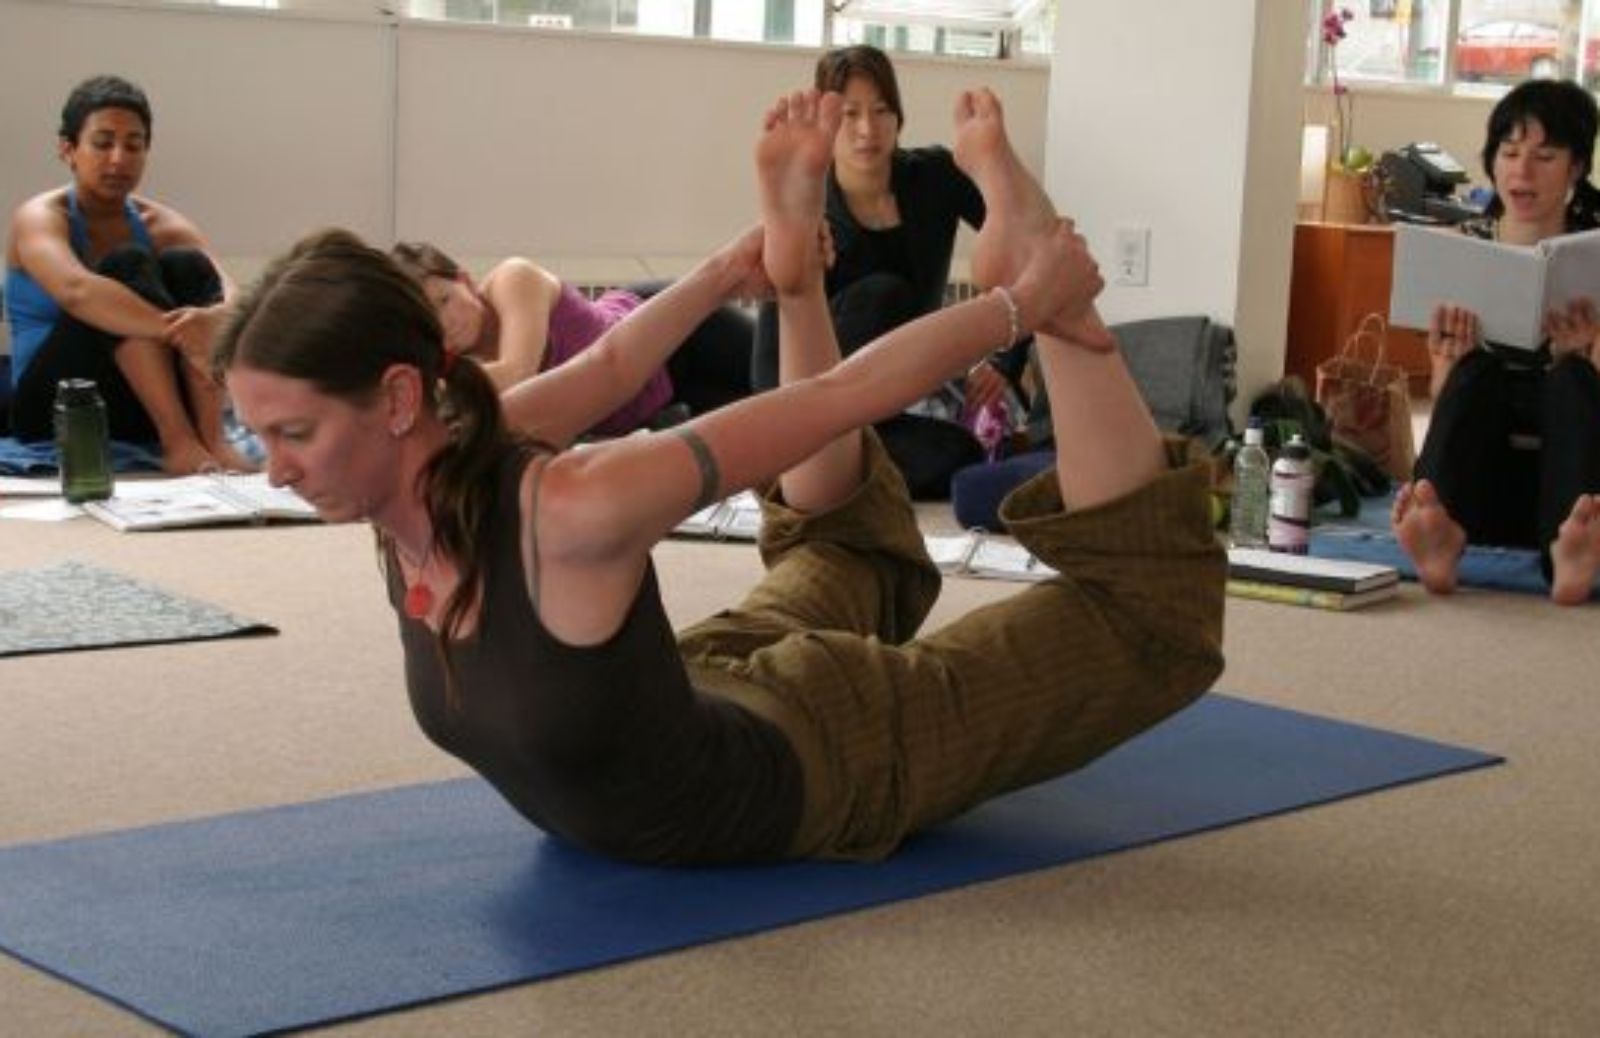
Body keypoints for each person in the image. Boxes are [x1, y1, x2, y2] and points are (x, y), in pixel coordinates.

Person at [217, 87, 1225, 866]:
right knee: (838, 549)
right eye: (260, 434)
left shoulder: (568, 510)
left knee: (1148, 617)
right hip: (699, 690)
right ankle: (797, 280)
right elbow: (607, 367)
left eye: (292, 433)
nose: (275, 471)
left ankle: (1064, 307)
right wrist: (730, 272)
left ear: (396, 400)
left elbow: (836, 400)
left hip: (827, 755)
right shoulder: (427, 462)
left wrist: (1019, 307)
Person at [751, 45, 1026, 497]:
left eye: (881, 111)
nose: (867, 130)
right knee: (884, 295)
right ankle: (819, 456)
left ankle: (843, 462)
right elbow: (767, 374)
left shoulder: (935, 175)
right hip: (822, 397)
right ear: (826, 121)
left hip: (908, 390)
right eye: (849, 114)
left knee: (962, 454)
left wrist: (1004, 360)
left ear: (899, 117)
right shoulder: (807, 205)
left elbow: (1020, 242)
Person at [1395, 79, 1600, 605]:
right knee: (1474, 373)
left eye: (1544, 156)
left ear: (1576, 167)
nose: (1521, 171)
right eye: (1509, 153)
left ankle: (1569, 553)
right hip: (1481, 485)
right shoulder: (1466, 254)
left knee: (1572, 380)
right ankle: (1441, 535)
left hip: (1574, 494)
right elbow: (1445, 407)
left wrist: (1588, 356)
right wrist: (1446, 362)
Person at [3, 74, 250, 474]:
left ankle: (212, 439)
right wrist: (184, 332)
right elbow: (76, 290)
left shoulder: (162, 222)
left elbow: (232, 297)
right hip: (58, 405)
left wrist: (210, 322)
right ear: (68, 150)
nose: (119, 158)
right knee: (125, 264)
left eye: (133, 146)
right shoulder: (41, 217)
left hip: (138, 402)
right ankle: (178, 441)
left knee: (188, 264)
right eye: (103, 144)